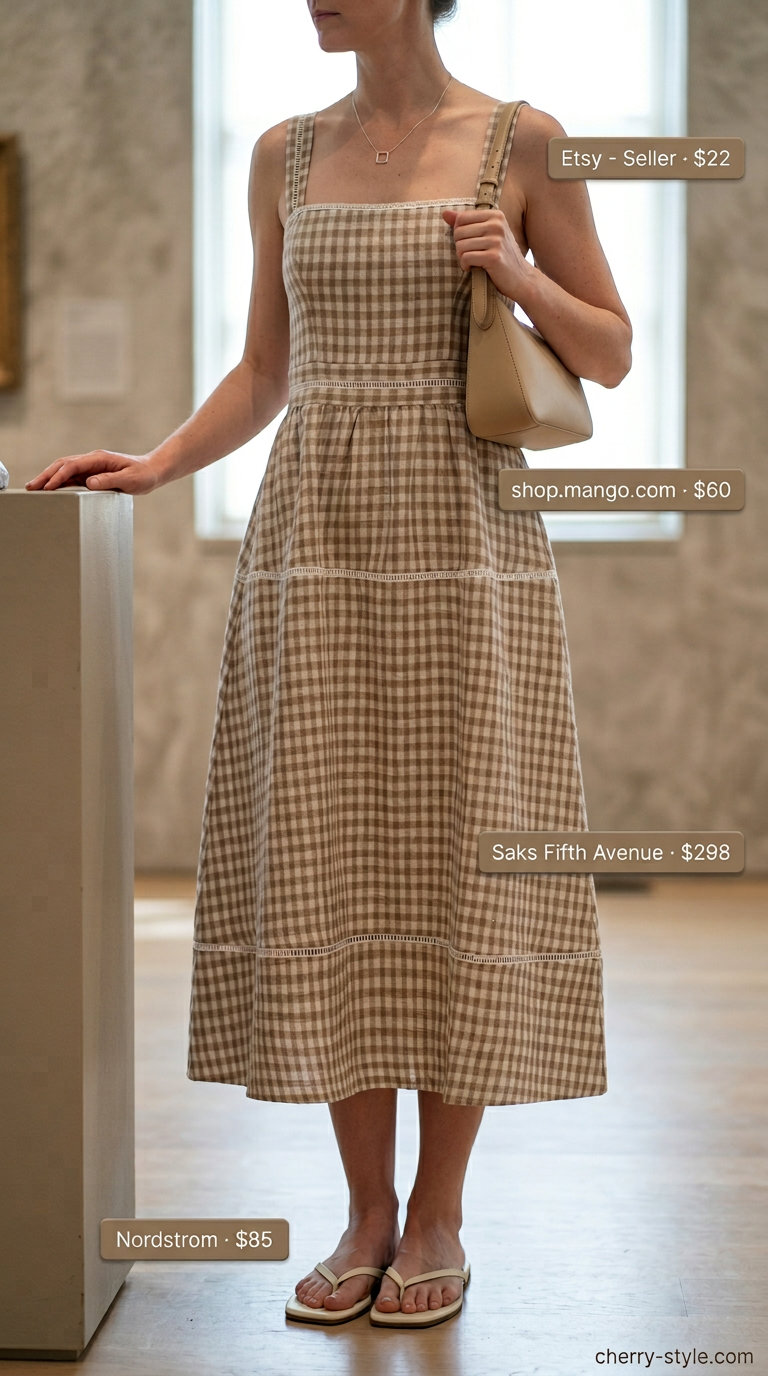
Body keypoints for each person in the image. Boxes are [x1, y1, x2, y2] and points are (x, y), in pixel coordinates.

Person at [26, 0, 632, 1331]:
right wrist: (158, 462)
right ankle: (364, 1210)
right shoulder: (282, 155)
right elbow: (265, 369)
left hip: (471, 540)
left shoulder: (525, 143)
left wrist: (515, 272)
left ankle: (440, 1214)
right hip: (318, 541)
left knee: (464, 853)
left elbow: (609, 350)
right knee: (337, 850)